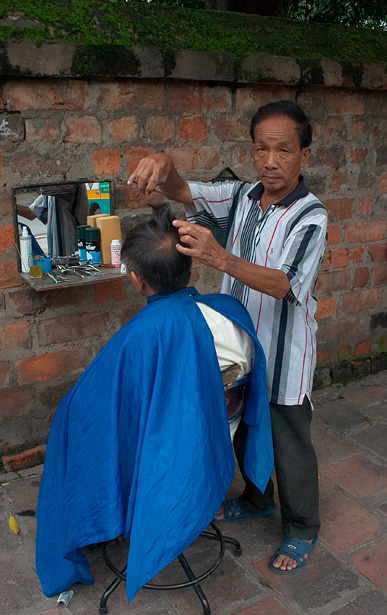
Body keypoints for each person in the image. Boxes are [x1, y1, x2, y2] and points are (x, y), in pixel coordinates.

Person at [128, 100, 328, 574]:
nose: (271, 161)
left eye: (283, 150)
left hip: (284, 350)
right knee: (244, 423)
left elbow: (284, 284)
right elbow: (182, 189)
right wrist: (162, 167)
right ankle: (259, 500)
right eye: (262, 149)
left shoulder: (311, 217)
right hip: (240, 343)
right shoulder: (241, 196)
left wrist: (222, 259)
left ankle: (302, 528)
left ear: (305, 154)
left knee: (288, 439)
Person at [36, 206, 273, 601]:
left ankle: (107, 513)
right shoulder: (230, 314)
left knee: (73, 423)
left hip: (169, 450)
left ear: (136, 280)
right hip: (211, 438)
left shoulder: (143, 336)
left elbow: (96, 408)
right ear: (191, 268)